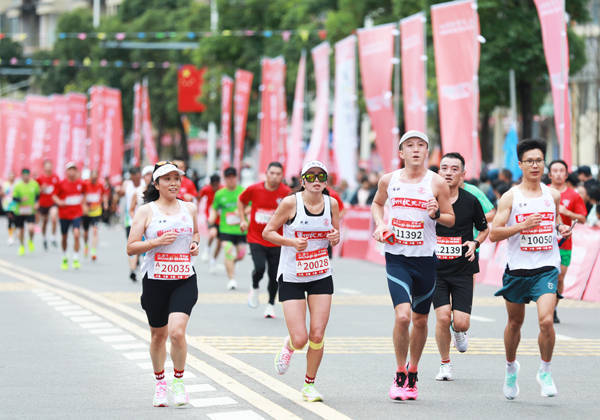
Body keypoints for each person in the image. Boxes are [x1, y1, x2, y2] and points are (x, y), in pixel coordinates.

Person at [371, 130, 455, 401]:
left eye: (421, 145)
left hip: (426, 259)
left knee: (420, 320)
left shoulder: (437, 182)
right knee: (403, 316)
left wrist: (436, 214)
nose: (416, 149)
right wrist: (380, 224)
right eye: (410, 145)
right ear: (401, 152)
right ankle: (399, 373)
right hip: (397, 257)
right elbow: (377, 203)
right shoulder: (389, 180)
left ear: (427, 152)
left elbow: (450, 218)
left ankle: (413, 372)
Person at [490, 139, 572, 400]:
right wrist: (521, 226)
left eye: (539, 160)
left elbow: (555, 219)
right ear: (520, 164)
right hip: (518, 269)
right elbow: (494, 234)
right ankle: (510, 368)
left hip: (546, 267)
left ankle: (545, 371)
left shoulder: (553, 195)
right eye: (530, 161)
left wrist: (560, 228)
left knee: (546, 320)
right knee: (515, 323)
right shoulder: (511, 197)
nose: (535, 165)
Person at [263, 160, 340, 402]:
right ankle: (289, 346)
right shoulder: (290, 203)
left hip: (320, 274)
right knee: (300, 339)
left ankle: (309, 385)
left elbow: (335, 235)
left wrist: (335, 237)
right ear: (302, 180)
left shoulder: (332, 204)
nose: (316, 180)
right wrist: (291, 242)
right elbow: (268, 232)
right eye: (311, 176)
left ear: (326, 181)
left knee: (317, 335)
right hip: (292, 275)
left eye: (321, 176)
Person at [126, 161, 200, 408]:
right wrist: (155, 242)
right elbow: (131, 247)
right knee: (158, 336)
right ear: (157, 184)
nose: (173, 183)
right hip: (156, 281)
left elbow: (196, 233)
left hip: (184, 278)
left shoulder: (189, 208)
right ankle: (160, 383)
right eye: (167, 179)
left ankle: (178, 382)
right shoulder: (146, 211)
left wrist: (195, 244)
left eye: (176, 179)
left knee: (177, 332)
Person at [432, 153, 489, 381]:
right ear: (438, 172)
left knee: (461, 322)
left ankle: (458, 330)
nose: (448, 172)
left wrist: (475, 243)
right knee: (442, 317)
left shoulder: (471, 201)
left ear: (463, 174)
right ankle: (445, 364)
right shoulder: (430, 200)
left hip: (463, 269)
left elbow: (484, 229)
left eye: (454, 169)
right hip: (436, 270)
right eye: (444, 168)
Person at [238, 162, 291, 318]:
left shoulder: (286, 192)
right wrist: (243, 220)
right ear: (266, 173)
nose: (274, 177)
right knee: (260, 267)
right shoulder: (254, 189)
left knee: (274, 275)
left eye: (278, 174)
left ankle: (270, 305)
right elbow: (241, 201)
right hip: (256, 237)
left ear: (282, 176)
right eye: (272, 173)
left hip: (277, 239)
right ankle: (255, 286)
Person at [547, 160, 587, 323]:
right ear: (549, 174)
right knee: (547, 277)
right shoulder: (543, 192)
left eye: (561, 170)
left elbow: (583, 218)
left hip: (564, 244)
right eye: (555, 171)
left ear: (566, 174)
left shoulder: (574, 195)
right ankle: (546, 308)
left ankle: (554, 308)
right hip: (545, 243)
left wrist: (567, 212)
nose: (558, 174)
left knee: (559, 278)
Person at [209, 167, 246, 290]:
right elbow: (214, 209)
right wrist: (211, 223)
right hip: (225, 229)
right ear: (224, 179)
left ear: (236, 177)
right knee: (228, 251)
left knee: (241, 255)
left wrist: (241, 212)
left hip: (241, 229)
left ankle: (229, 263)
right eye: (228, 177)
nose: (231, 179)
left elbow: (251, 206)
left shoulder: (243, 191)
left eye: (233, 177)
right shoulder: (220, 194)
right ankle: (231, 279)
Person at [53, 162, 86, 270]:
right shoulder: (61, 183)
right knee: (64, 237)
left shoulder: (80, 183)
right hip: (64, 214)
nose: (72, 172)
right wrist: (59, 202)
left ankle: (76, 257)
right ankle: (64, 256)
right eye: (70, 170)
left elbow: (85, 194)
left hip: (76, 213)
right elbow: (54, 196)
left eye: (73, 170)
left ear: (76, 171)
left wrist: (83, 203)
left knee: (76, 234)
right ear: (66, 172)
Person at [120, 167, 145, 281]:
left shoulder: (144, 185)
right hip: (130, 221)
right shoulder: (127, 184)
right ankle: (132, 269)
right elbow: (120, 193)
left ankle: (134, 265)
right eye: (133, 177)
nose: (135, 179)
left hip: (143, 222)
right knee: (132, 245)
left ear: (140, 175)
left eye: (137, 177)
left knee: (140, 245)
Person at [12, 168, 40, 256]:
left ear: (29, 175)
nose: (25, 177)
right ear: (21, 176)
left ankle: (30, 240)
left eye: (27, 175)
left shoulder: (34, 184)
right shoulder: (18, 186)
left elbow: (38, 195)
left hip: (30, 211)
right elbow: (14, 198)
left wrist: (37, 203)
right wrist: (21, 199)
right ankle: (21, 246)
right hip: (19, 211)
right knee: (20, 231)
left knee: (31, 228)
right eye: (24, 175)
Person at [82, 170, 108, 261]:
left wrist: (105, 203)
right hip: (87, 212)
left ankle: (93, 251)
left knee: (95, 231)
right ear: (90, 177)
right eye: (92, 177)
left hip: (96, 211)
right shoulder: (85, 185)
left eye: (95, 178)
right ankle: (86, 245)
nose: (94, 179)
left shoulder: (100, 185)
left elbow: (104, 194)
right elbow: (82, 195)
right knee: (85, 233)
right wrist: (83, 206)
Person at [198, 174, 222, 266]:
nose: (215, 187)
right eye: (213, 185)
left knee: (220, 243)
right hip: (210, 216)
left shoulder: (223, 189)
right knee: (212, 233)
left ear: (219, 183)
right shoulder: (206, 189)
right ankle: (207, 249)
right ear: (210, 184)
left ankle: (214, 260)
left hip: (222, 219)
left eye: (217, 185)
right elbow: (199, 197)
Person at [36, 160, 60, 250]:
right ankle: (44, 238)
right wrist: (41, 189)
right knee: (45, 222)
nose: (49, 168)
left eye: (50, 166)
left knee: (54, 218)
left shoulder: (55, 177)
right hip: (43, 203)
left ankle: (53, 237)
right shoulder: (40, 179)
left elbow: (59, 190)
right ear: (44, 168)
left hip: (52, 202)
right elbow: (36, 191)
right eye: (47, 166)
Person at [3, 173, 17, 245]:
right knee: (10, 220)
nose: (12, 178)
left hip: (15, 205)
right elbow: (2, 193)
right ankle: (10, 236)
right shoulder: (5, 184)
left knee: (14, 221)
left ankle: (14, 233)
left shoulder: (17, 185)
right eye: (10, 176)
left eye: (13, 176)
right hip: (8, 205)